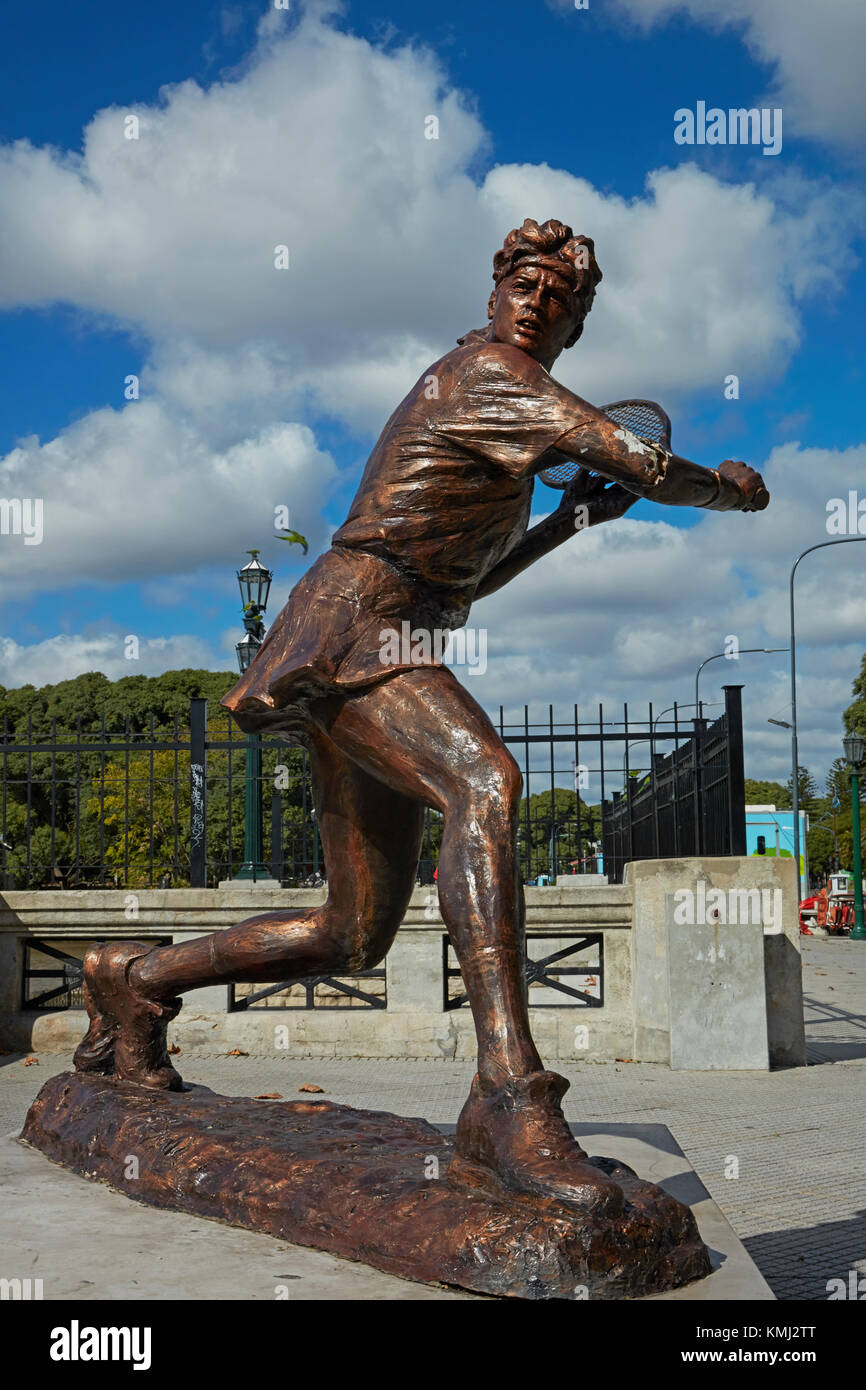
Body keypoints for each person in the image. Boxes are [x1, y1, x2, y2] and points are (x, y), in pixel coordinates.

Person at [75, 218, 768, 1213]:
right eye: (524, 287)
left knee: (353, 933)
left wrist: (572, 519)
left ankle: (134, 978)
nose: (536, 305)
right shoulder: (485, 373)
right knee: (484, 780)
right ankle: (507, 1095)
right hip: (361, 627)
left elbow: (467, 584)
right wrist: (726, 491)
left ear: (570, 330)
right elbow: (638, 459)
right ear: (495, 298)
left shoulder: (506, 418)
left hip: (385, 633)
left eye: (558, 302)